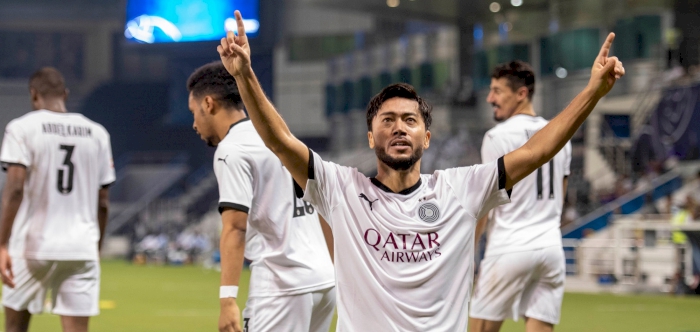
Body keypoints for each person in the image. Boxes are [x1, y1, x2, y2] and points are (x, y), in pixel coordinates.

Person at [218, 11, 624, 331]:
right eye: (387, 119)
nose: (398, 126)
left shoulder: (462, 188)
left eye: (410, 120)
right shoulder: (340, 187)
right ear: (370, 137)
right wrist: (245, 76)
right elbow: (279, 139)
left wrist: (591, 92)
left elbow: (537, 150)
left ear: (426, 138)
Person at [186, 62, 335, 332]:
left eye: (193, 112)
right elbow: (324, 206)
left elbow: (235, 226)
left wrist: (227, 299)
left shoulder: (231, 149)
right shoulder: (280, 136)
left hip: (281, 285)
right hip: (324, 282)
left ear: (208, 104)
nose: (194, 123)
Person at [0, 67, 115, 332]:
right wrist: (95, 246)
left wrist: (2, 244)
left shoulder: (21, 128)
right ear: (65, 94)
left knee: (15, 327)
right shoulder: (97, 133)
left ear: (33, 95)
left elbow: (15, 188)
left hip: (31, 245)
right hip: (80, 245)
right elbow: (103, 202)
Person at [468, 61, 572, 332]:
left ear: (521, 94)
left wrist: (469, 254)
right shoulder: (561, 135)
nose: (491, 98)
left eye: (497, 91)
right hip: (550, 248)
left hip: (509, 246)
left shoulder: (496, 137)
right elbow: (561, 196)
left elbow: (485, 205)